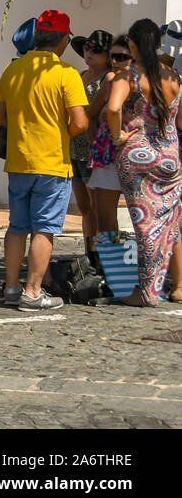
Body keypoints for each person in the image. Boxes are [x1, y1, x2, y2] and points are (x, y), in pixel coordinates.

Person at [0, 9, 89, 311]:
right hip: (53, 162)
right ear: (62, 41)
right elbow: (81, 122)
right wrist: (63, 132)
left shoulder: (14, 69)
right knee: (44, 228)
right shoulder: (66, 73)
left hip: (19, 161)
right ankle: (33, 292)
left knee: (17, 226)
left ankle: (10, 287)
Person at [104, 19, 182, 305]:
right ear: (159, 45)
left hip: (138, 154)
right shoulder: (174, 77)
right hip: (170, 156)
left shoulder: (128, 76)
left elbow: (113, 108)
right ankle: (179, 286)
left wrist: (118, 135)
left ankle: (147, 292)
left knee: (145, 225)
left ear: (133, 45)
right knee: (171, 221)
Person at [70, 29, 112, 254]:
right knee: (83, 207)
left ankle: (99, 255)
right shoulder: (79, 75)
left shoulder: (109, 78)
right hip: (74, 147)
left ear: (107, 55)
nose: (89, 53)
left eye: (96, 50)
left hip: (95, 149)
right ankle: (89, 252)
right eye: (87, 47)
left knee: (97, 207)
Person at [86, 34, 132, 240]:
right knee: (104, 218)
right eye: (113, 56)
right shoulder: (111, 80)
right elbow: (91, 114)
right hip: (109, 158)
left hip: (138, 158)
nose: (115, 62)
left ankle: (131, 268)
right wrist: (96, 142)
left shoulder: (147, 81)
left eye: (121, 57)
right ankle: (111, 270)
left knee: (142, 219)